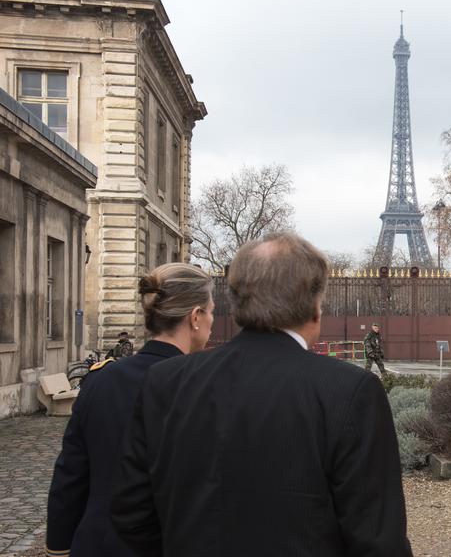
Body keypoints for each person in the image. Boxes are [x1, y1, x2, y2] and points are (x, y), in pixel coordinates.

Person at [110, 232, 412, 556]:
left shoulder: (166, 381)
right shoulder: (349, 391)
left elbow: (131, 516)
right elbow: (378, 539)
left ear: (237, 305)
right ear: (315, 309)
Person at [46, 263, 214, 557]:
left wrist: (58, 548)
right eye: (211, 311)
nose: (212, 320)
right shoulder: (204, 385)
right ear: (196, 317)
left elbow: (71, 476)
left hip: (99, 544)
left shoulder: (100, 379)